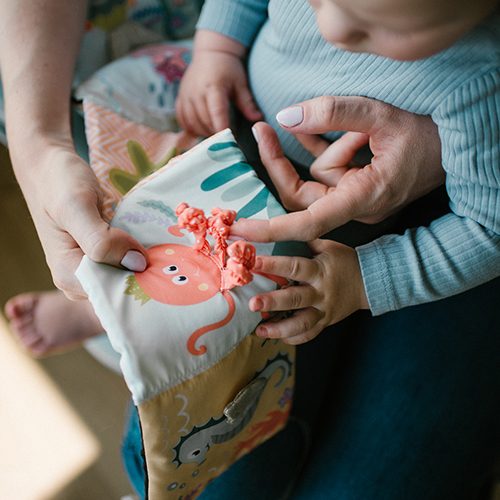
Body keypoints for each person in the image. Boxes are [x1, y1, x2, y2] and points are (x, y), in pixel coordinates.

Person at [2, 1, 500, 500]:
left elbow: (486, 229)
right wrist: (217, 49)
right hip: (224, 125)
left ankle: (111, 319)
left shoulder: (480, 78)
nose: (332, 26)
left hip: (331, 219)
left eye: (381, 28)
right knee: (145, 244)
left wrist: (364, 280)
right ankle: (104, 310)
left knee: (237, 310)